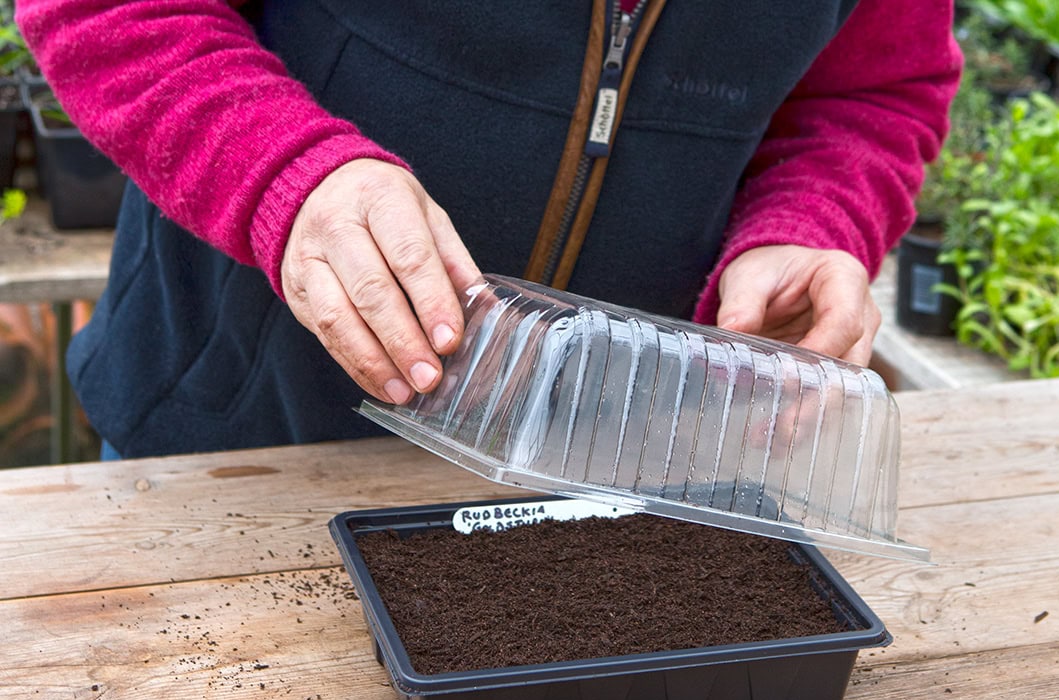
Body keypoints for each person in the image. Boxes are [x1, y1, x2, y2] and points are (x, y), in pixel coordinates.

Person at [16, 0, 961, 459]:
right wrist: (285, 174)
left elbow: (875, 91)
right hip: (237, 444)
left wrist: (809, 221)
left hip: (615, 476)